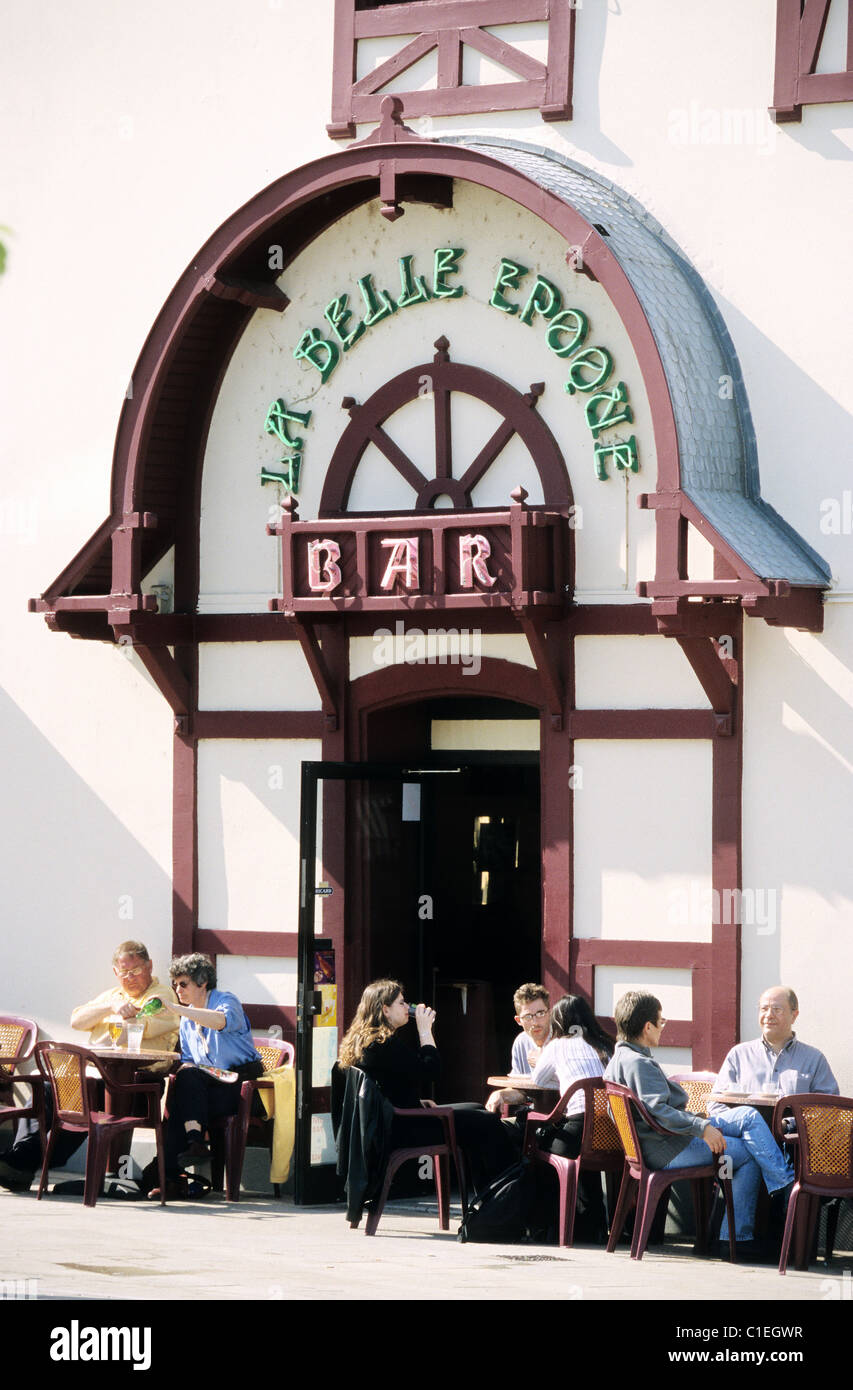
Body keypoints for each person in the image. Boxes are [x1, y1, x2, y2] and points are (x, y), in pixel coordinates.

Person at [604, 991, 794, 1255]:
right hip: (668, 1148)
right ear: (647, 1027)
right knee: (749, 1152)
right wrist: (700, 1127)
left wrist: (699, 1124)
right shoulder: (639, 1063)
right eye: (661, 1022)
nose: (662, 1027)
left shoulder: (619, 1059)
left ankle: (781, 1185)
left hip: (659, 1143)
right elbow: (657, 1110)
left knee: (748, 1116)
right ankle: (739, 1237)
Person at [0, 940, 178, 1191]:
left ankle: (17, 1162)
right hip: (97, 1077)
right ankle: (18, 1164)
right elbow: (77, 1019)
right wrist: (109, 1006)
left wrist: (125, 1017)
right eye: (124, 973)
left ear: (149, 966)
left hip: (137, 1083)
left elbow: (140, 1028)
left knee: (80, 1099)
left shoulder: (161, 996)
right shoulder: (112, 996)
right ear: (116, 973)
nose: (130, 978)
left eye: (136, 970)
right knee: (46, 1088)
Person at [338, 979, 517, 1194]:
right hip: (404, 1127)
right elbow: (430, 1071)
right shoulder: (383, 1043)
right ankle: (506, 1193)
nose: (407, 1008)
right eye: (402, 1003)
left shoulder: (367, 1041)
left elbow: (387, 1086)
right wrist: (425, 1030)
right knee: (487, 1122)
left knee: (476, 1108)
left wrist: (416, 1102)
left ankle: (488, 1194)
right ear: (385, 1009)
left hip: (395, 1120)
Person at [146, 953, 263, 1199]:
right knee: (184, 1081)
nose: (178, 989)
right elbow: (189, 1060)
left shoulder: (226, 1000)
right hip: (208, 1087)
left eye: (183, 984)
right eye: (175, 984)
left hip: (241, 1086)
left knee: (180, 1101)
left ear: (202, 982)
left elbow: (222, 1022)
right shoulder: (187, 1020)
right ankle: (192, 1145)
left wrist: (176, 1009)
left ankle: (169, 1173)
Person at [528, 994, 615, 1241]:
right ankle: (592, 1229)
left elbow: (539, 1080)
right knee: (585, 1166)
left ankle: (550, 1229)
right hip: (613, 1131)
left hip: (578, 1126)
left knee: (541, 1153)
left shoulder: (557, 1046)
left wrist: (561, 1075)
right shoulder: (606, 1044)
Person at [710, 985, 838, 1108]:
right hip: (745, 1129)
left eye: (777, 1009)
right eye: (764, 1009)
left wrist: (789, 1123)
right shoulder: (739, 1055)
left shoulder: (814, 1059)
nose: (769, 1015)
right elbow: (716, 1103)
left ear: (794, 1015)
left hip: (793, 1130)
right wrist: (743, 1122)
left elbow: (828, 1109)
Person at [485, 982, 552, 1114]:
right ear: (518, 1020)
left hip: (563, 1114)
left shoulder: (562, 1039)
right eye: (528, 1016)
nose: (535, 1022)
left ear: (549, 1013)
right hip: (534, 1113)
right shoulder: (521, 1042)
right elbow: (521, 1091)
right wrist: (501, 1094)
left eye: (540, 1013)